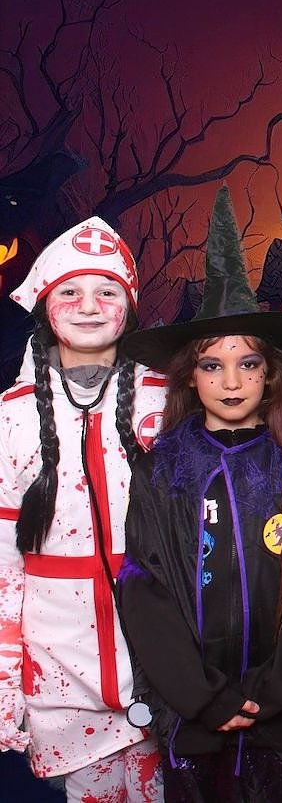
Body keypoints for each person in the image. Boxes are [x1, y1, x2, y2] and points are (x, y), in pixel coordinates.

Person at [115, 188, 282, 802]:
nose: (232, 381)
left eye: (247, 363)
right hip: (197, 722)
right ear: (190, 375)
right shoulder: (162, 471)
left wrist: (275, 693)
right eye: (213, 365)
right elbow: (144, 586)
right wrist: (203, 697)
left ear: (270, 373)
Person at [0, 217, 167, 802]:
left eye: (106, 291)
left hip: (167, 662)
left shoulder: (171, 400)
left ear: (130, 306)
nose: (89, 307)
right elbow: (3, 567)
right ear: (45, 306)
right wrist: (4, 682)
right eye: (70, 291)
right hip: (58, 674)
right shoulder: (11, 417)